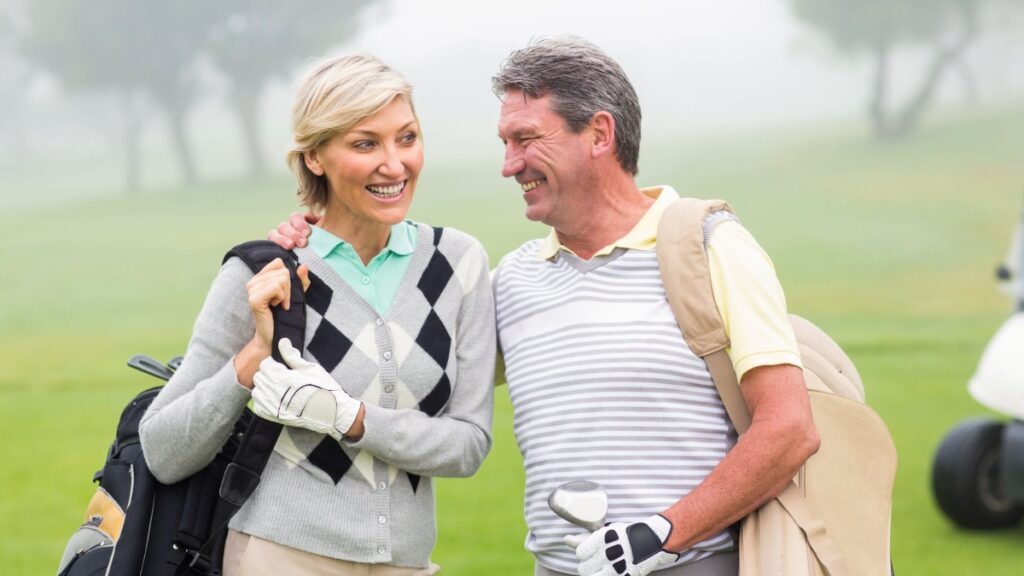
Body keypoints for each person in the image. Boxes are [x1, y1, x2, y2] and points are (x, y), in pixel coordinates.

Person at [271, 37, 819, 576]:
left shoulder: (709, 245)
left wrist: (661, 534)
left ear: (599, 134)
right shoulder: (512, 279)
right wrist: (323, 243)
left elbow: (789, 429)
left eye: (526, 139)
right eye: (505, 143)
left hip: (695, 564)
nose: (510, 166)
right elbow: (404, 369)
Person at [139, 54, 496, 576]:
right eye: (364, 144)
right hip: (278, 557)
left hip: (408, 563)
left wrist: (349, 418)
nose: (394, 164)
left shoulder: (459, 264)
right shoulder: (262, 274)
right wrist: (255, 357)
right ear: (314, 158)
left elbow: (468, 444)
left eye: (407, 138)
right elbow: (163, 450)